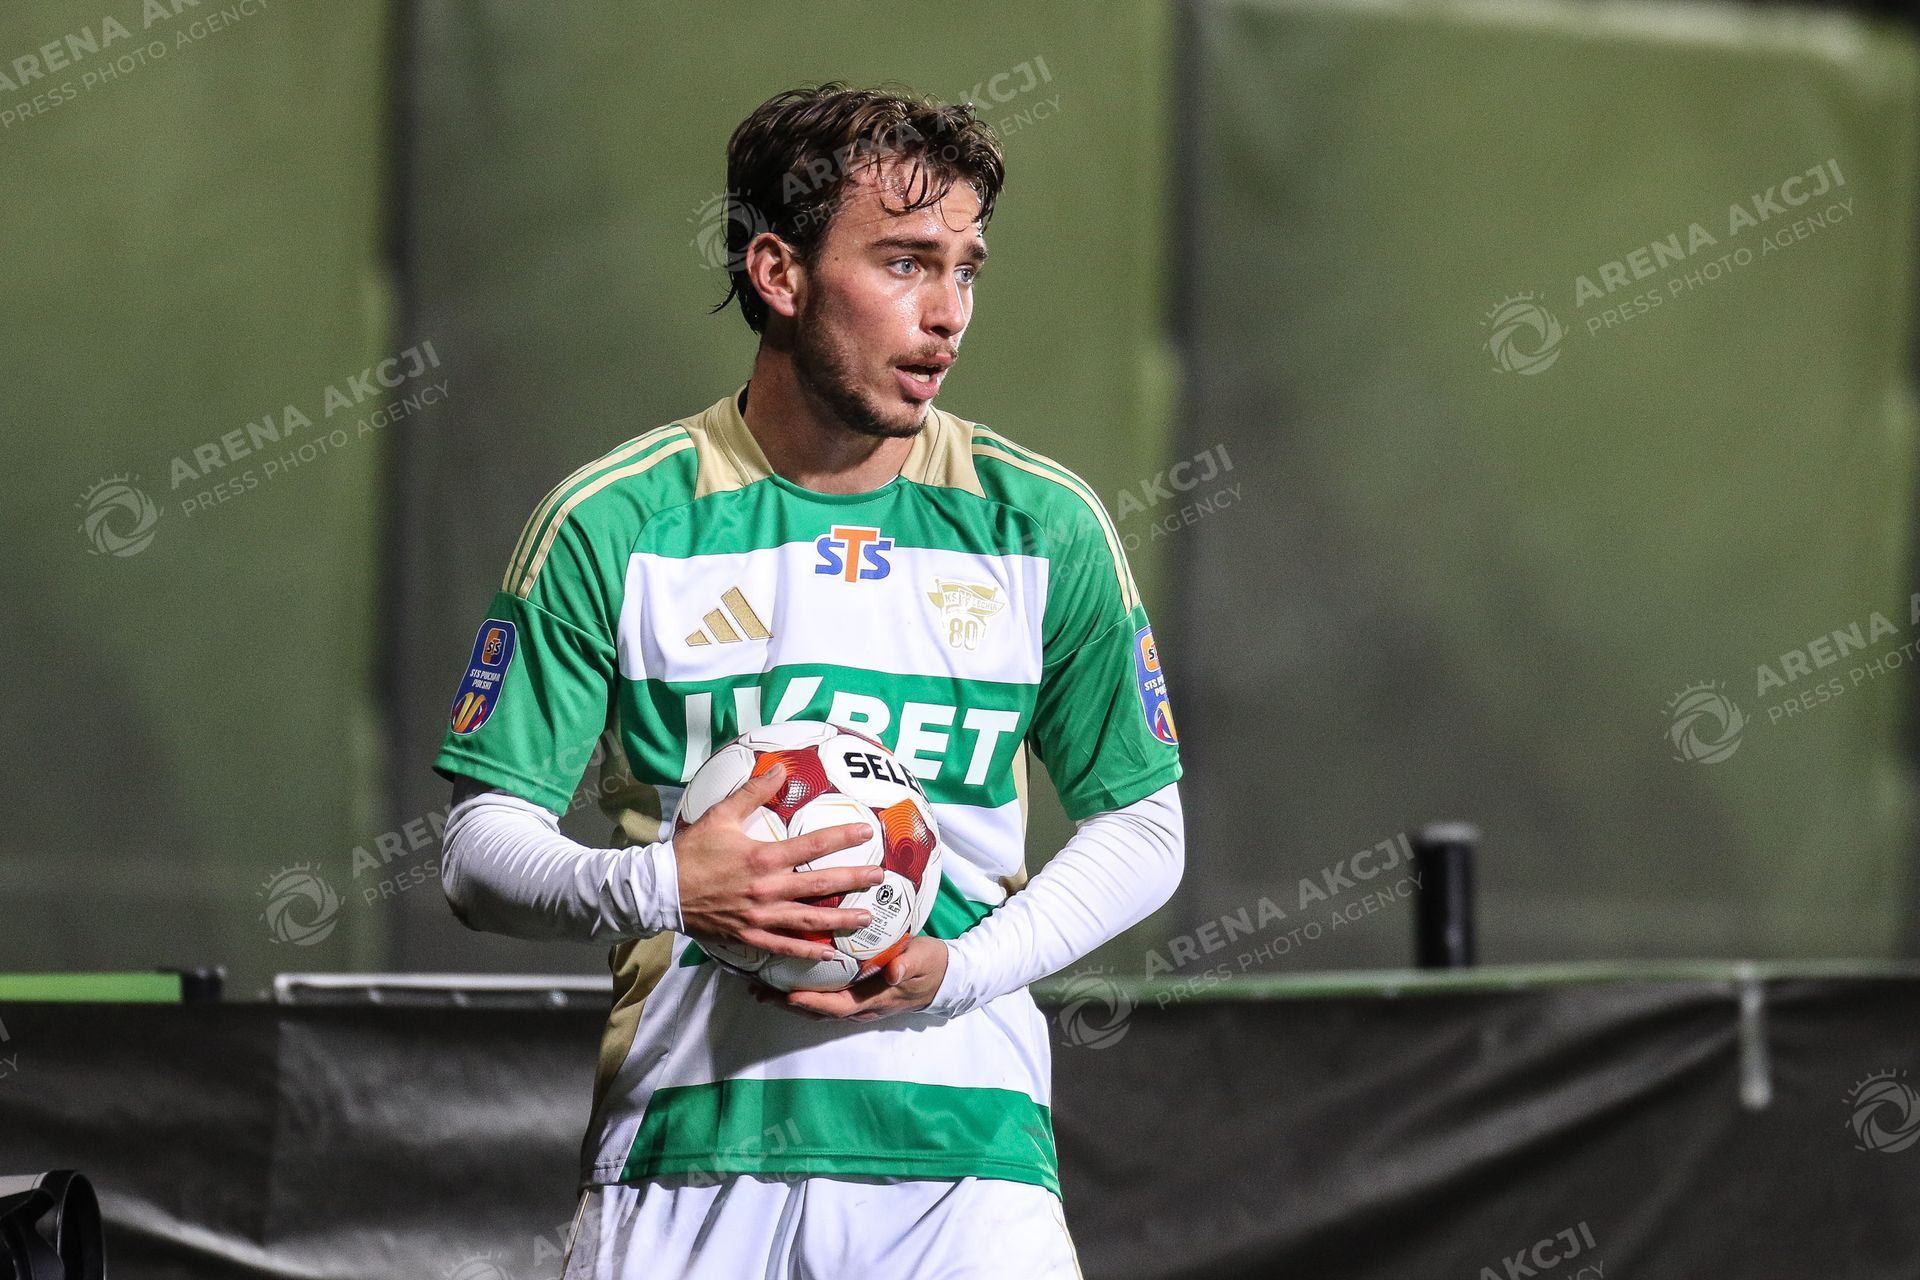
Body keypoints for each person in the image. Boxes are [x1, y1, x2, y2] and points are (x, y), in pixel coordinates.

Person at [434, 82, 1185, 1279]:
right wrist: (668, 884)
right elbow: (478, 852)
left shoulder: (1043, 524)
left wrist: (964, 971)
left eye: (967, 269)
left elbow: (1145, 826)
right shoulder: (614, 521)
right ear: (778, 273)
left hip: (970, 1167)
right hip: (686, 1157)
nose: (947, 314)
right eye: (905, 262)